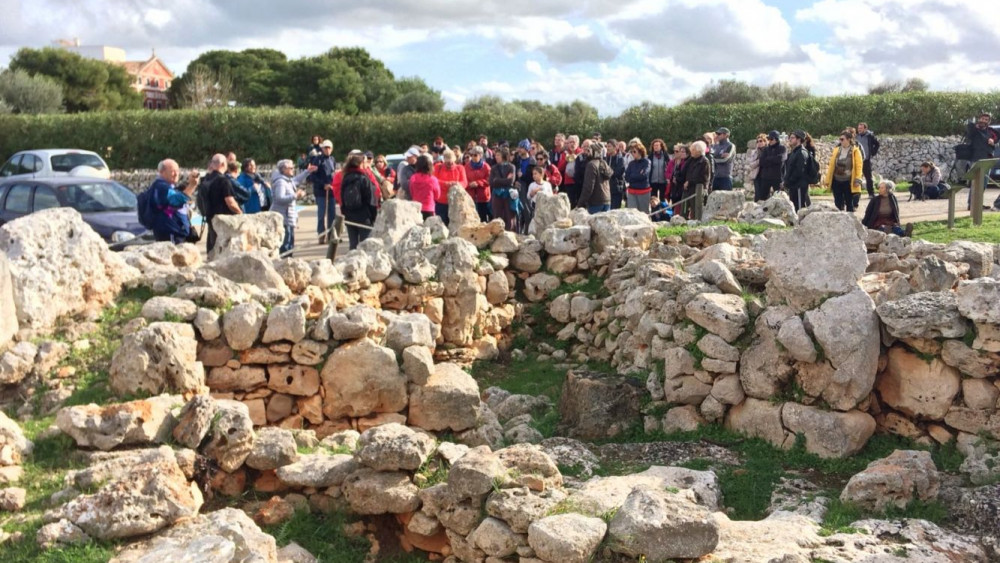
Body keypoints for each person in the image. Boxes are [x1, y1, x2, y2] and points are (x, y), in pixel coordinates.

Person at [270, 159, 316, 255]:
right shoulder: (281, 182)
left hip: (288, 218)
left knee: (290, 245)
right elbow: (279, 198)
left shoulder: (287, 180)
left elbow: (296, 180)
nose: (293, 169)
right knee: (286, 246)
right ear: (283, 169)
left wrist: (307, 171)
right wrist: (296, 196)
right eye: (290, 168)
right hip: (283, 219)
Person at [148, 159, 197, 244]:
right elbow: (176, 201)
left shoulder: (167, 186)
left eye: (177, 170)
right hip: (170, 235)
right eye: (172, 171)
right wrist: (192, 185)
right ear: (162, 172)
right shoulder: (161, 187)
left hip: (175, 233)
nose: (176, 174)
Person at [201, 153, 242, 252]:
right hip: (223, 221)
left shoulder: (206, 179)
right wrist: (240, 213)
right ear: (223, 164)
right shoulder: (223, 181)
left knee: (212, 247)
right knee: (222, 250)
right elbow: (230, 202)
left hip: (210, 217)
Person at [339, 153, 379, 250]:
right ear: (361, 163)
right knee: (365, 245)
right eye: (365, 162)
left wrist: (344, 212)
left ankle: (351, 262)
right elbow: (371, 199)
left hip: (349, 215)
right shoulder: (364, 178)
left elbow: (342, 197)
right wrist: (373, 216)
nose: (367, 164)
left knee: (353, 244)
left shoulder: (346, 177)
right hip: (364, 216)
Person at [823, 129, 864, 212]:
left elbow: (859, 166)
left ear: (848, 139)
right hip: (836, 180)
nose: (840, 141)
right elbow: (831, 166)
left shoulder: (855, 151)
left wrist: (857, 179)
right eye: (840, 139)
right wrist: (828, 180)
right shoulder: (836, 150)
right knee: (838, 204)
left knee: (850, 204)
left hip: (848, 181)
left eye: (842, 139)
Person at [309, 139, 337, 244]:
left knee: (332, 214)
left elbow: (334, 175)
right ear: (322, 148)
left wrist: (333, 184)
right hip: (321, 192)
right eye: (325, 148)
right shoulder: (317, 160)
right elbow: (312, 176)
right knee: (321, 214)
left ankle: (331, 235)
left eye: (329, 148)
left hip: (331, 191)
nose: (327, 150)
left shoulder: (333, 160)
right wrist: (323, 185)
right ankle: (321, 235)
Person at [433, 148, 468, 225]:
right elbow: (434, 181)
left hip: (456, 201)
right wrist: (446, 184)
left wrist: (456, 184)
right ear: (444, 159)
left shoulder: (460, 168)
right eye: (447, 162)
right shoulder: (438, 167)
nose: (449, 164)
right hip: (441, 201)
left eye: (451, 162)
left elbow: (464, 182)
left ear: (454, 160)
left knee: (456, 224)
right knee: (441, 223)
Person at [577, 142, 612, 214]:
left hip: (595, 202)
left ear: (594, 152)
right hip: (607, 200)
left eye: (589, 151)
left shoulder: (591, 165)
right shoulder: (604, 163)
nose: (587, 153)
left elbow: (588, 187)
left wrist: (580, 203)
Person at [489, 147, 519, 231]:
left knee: (510, 217)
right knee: (497, 216)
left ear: (504, 156)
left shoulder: (511, 167)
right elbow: (491, 182)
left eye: (498, 155)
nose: (496, 157)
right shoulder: (494, 168)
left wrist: (497, 180)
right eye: (496, 155)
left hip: (508, 194)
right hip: (497, 195)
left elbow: (510, 181)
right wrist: (503, 180)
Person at [783, 131, 810, 211]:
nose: (790, 140)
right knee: (794, 206)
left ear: (798, 139)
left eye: (792, 138)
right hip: (793, 185)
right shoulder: (794, 152)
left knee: (800, 208)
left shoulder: (801, 152)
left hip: (799, 185)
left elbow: (799, 171)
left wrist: (789, 181)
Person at [683, 141, 710, 219]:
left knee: (696, 212)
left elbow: (703, 178)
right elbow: (684, 171)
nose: (691, 151)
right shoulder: (691, 160)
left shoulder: (704, 161)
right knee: (685, 210)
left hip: (697, 190)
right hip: (688, 189)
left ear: (699, 151)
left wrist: (690, 182)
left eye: (693, 150)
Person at [464, 146, 492, 222]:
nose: (473, 157)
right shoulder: (466, 167)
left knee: (483, 218)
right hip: (471, 197)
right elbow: (464, 180)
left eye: (475, 155)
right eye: (472, 155)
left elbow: (489, 180)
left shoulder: (486, 167)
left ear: (481, 155)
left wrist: (478, 183)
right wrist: (469, 184)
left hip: (483, 197)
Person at [409, 154, 440, 220]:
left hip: (416, 208)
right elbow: (437, 195)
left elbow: (411, 192)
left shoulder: (413, 178)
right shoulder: (433, 179)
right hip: (429, 208)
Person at [758, 130, 785, 200]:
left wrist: (768, 159)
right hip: (765, 177)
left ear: (776, 139)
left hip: (777, 177)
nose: (769, 141)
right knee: (763, 198)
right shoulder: (766, 149)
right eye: (768, 139)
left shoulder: (782, 148)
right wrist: (773, 160)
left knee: (779, 198)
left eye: (771, 139)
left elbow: (780, 159)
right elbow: (762, 162)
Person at [624, 141, 652, 213]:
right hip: (632, 191)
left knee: (643, 212)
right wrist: (636, 175)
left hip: (643, 191)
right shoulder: (631, 164)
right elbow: (627, 177)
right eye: (631, 152)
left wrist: (632, 176)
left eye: (634, 151)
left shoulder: (647, 162)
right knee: (632, 212)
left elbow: (644, 175)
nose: (632, 153)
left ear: (640, 151)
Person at [856, 122, 880, 198]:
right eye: (858, 128)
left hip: (866, 160)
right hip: (857, 160)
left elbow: (877, 144)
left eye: (861, 128)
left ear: (865, 129)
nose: (859, 130)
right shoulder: (856, 136)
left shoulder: (870, 136)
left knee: (868, 178)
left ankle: (871, 194)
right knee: (856, 177)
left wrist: (872, 152)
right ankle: (856, 194)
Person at [562, 135, 582, 206]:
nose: (572, 144)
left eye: (574, 142)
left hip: (579, 181)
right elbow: (560, 167)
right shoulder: (565, 153)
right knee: (570, 203)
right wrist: (566, 160)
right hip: (568, 182)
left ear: (577, 143)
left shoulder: (581, 152)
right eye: (570, 142)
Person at [670, 144, 689, 216]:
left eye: (682, 152)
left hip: (682, 187)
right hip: (675, 187)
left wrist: (677, 179)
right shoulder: (676, 162)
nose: (680, 153)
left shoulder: (687, 162)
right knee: (674, 205)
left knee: (681, 207)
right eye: (679, 151)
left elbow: (684, 176)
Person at [606, 141, 626, 210]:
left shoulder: (620, 159)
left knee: (615, 210)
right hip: (606, 189)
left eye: (609, 146)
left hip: (616, 189)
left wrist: (607, 172)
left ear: (615, 148)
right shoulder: (605, 159)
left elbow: (617, 173)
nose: (607, 148)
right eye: (607, 146)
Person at [746, 134, 765, 201]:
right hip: (757, 174)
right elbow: (750, 163)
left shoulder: (768, 151)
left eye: (761, 141)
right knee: (757, 194)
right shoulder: (755, 152)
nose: (759, 143)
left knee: (765, 194)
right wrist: (759, 161)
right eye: (757, 141)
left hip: (766, 174)